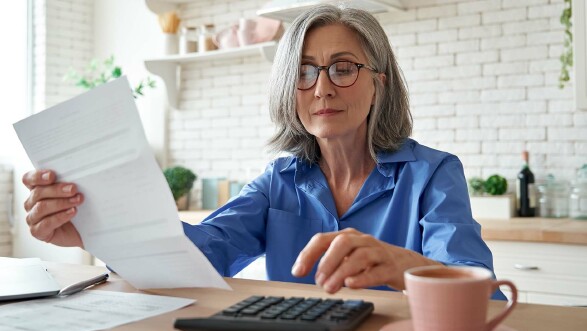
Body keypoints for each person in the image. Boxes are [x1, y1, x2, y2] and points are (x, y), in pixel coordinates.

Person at [22, 4, 505, 299]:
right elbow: (200, 255)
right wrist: (95, 229)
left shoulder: (433, 174)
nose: (321, 89)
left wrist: (403, 267)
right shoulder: (279, 181)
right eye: (304, 71)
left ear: (378, 84)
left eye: (342, 68)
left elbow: (485, 296)